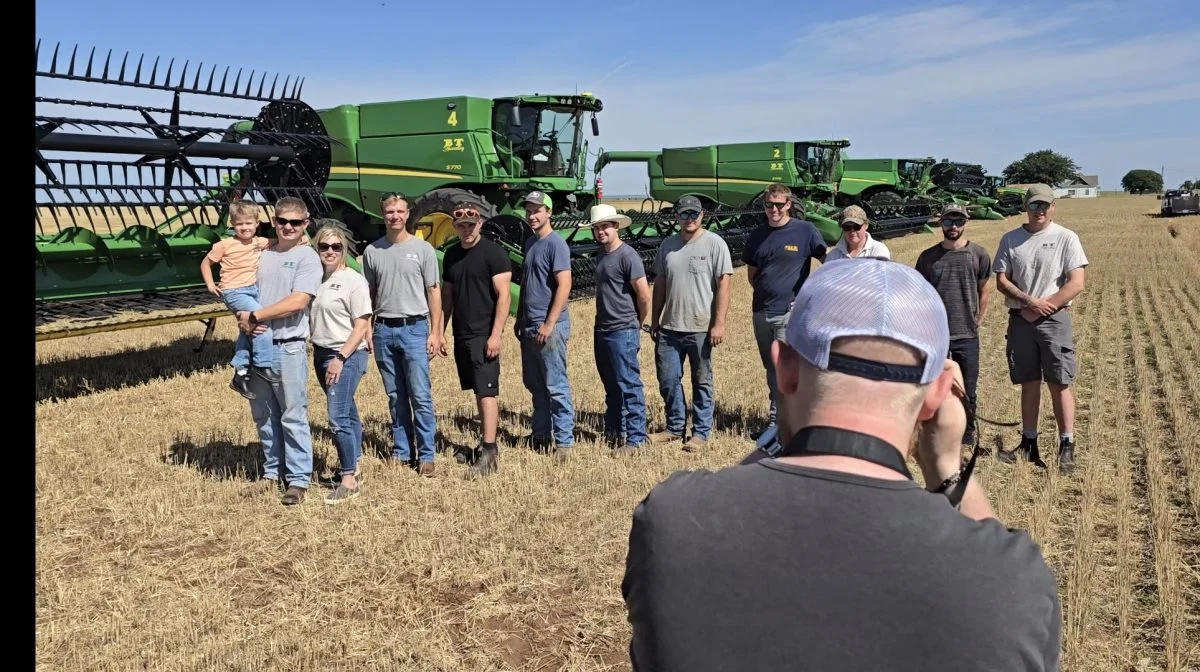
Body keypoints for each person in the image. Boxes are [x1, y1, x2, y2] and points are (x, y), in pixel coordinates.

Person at [621, 258, 1062, 671]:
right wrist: (947, 464)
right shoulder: (1014, 581)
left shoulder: (674, 519)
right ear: (938, 394)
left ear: (784, 370)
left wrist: (785, 429)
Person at [993, 183, 1088, 474]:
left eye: (1045, 205)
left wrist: (1046, 305)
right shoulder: (1011, 239)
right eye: (1034, 205)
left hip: (1054, 320)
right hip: (1021, 320)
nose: (1040, 210)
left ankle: (1066, 445)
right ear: (1026, 206)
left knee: (1060, 383)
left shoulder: (1066, 238)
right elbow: (1002, 280)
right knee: (1029, 382)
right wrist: (1028, 302)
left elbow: (1076, 282)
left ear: (1053, 207)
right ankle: (1029, 442)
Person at [236, 196, 323, 506]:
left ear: (305, 225)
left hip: (288, 347)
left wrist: (257, 316)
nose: (288, 227)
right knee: (264, 415)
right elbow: (239, 286)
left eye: (295, 222)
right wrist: (241, 315)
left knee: (292, 415)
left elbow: (299, 301)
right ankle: (272, 473)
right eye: (282, 221)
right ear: (273, 221)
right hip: (255, 345)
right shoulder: (261, 253)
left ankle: (298, 479)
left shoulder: (307, 258)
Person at [361, 192, 443, 475]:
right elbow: (369, 295)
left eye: (399, 211)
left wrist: (436, 332)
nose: (394, 216)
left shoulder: (423, 250)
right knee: (396, 396)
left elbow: (434, 292)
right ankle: (402, 451)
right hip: (384, 329)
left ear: (408, 214)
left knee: (420, 395)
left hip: (415, 329)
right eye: (389, 212)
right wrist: (368, 330)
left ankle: (427, 454)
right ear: (382, 215)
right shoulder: (372, 252)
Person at [648, 195, 733, 451]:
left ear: (702, 215)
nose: (689, 219)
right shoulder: (667, 246)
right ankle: (674, 427)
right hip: (670, 327)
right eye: (684, 214)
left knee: (702, 380)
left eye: (693, 214)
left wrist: (719, 323)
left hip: (700, 328)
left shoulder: (714, 244)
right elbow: (660, 284)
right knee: (668, 379)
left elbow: (724, 285)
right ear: (677, 217)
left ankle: (701, 432)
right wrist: (655, 319)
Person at [742, 183, 828, 438]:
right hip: (761, 312)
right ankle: (779, 420)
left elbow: (827, 262)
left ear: (789, 204)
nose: (774, 210)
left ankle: (787, 424)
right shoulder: (757, 235)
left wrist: (807, 296)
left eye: (779, 205)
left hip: (789, 313)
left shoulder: (805, 231)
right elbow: (752, 275)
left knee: (787, 367)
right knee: (771, 367)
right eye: (769, 205)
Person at [441, 206, 513, 477]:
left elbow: (503, 296)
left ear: (480, 223)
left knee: (487, 391)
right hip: (462, 334)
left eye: (471, 224)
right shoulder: (451, 255)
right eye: (461, 225)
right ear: (455, 226)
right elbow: (447, 298)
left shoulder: (494, 254)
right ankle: (484, 442)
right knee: (477, 390)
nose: (467, 229)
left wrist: (496, 335)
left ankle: (490, 450)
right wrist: (439, 331)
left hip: (484, 334)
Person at [915, 203, 992, 447]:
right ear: (941, 223)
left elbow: (985, 290)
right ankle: (934, 429)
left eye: (958, 221)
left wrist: (978, 318)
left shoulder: (978, 254)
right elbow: (920, 294)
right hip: (936, 335)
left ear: (966, 223)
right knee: (932, 385)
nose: (953, 226)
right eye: (948, 221)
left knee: (967, 387)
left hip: (966, 334)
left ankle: (967, 433)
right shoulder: (928, 258)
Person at [308, 223, 372, 504]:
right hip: (320, 352)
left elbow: (361, 325)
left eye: (336, 247)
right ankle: (355, 463)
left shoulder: (353, 280)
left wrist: (340, 358)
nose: (330, 251)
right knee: (348, 410)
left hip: (346, 354)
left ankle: (348, 478)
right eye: (324, 246)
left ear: (344, 249)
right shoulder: (313, 279)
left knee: (337, 417)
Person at [513, 191, 576, 455]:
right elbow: (527, 284)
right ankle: (540, 434)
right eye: (529, 210)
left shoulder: (556, 244)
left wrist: (549, 323)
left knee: (556, 385)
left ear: (549, 213)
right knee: (535, 384)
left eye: (537, 210)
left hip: (549, 327)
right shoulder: (530, 243)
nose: (532, 215)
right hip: (529, 324)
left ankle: (563, 442)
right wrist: (519, 317)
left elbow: (565, 284)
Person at [200, 200, 281, 399]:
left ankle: (241, 372)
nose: (244, 227)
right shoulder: (224, 245)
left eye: (248, 223)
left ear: (257, 223)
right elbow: (205, 263)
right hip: (234, 292)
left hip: (253, 290)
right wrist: (210, 284)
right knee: (261, 324)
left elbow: (276, 242)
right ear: (232, 224)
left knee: (248, 328)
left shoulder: (259, 242)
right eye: (239, 224)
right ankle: (262, 365)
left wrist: (303, 241)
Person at [587, 203, 652, 453]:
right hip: (602, 328)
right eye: (597, 228)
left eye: (605, 226)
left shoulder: (628, 256)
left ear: (616, 227)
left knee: (628, 385)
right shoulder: (601, 255)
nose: (601, 231)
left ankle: (636, 439)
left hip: (622, 329)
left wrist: (637, 323)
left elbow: (644, 295)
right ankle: (614, 431)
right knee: (611, 385)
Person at [823, 204, 891, 260]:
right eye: (847, 227)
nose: (852, 230)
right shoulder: (833, 256)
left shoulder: (878, 250)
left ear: (866, 225)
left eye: (856, 226)